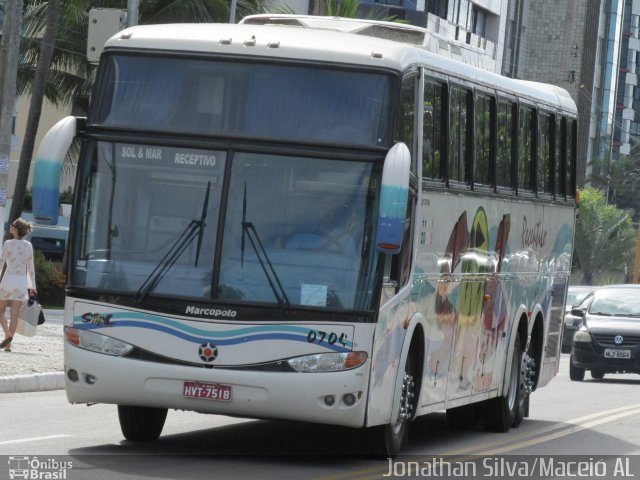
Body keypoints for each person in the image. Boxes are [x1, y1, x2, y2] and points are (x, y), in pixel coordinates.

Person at [0, 218, 37, 352]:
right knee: (14, 315)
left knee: (1, 311)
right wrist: (33, 287)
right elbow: (31, 268)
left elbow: (1, 263)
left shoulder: (8, 243)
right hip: (21, 283)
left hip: (8, 280)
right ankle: (8, 345)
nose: (10, 226)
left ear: (16, 229)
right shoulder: (28, 246)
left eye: (12, 225)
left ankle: (7, 335)